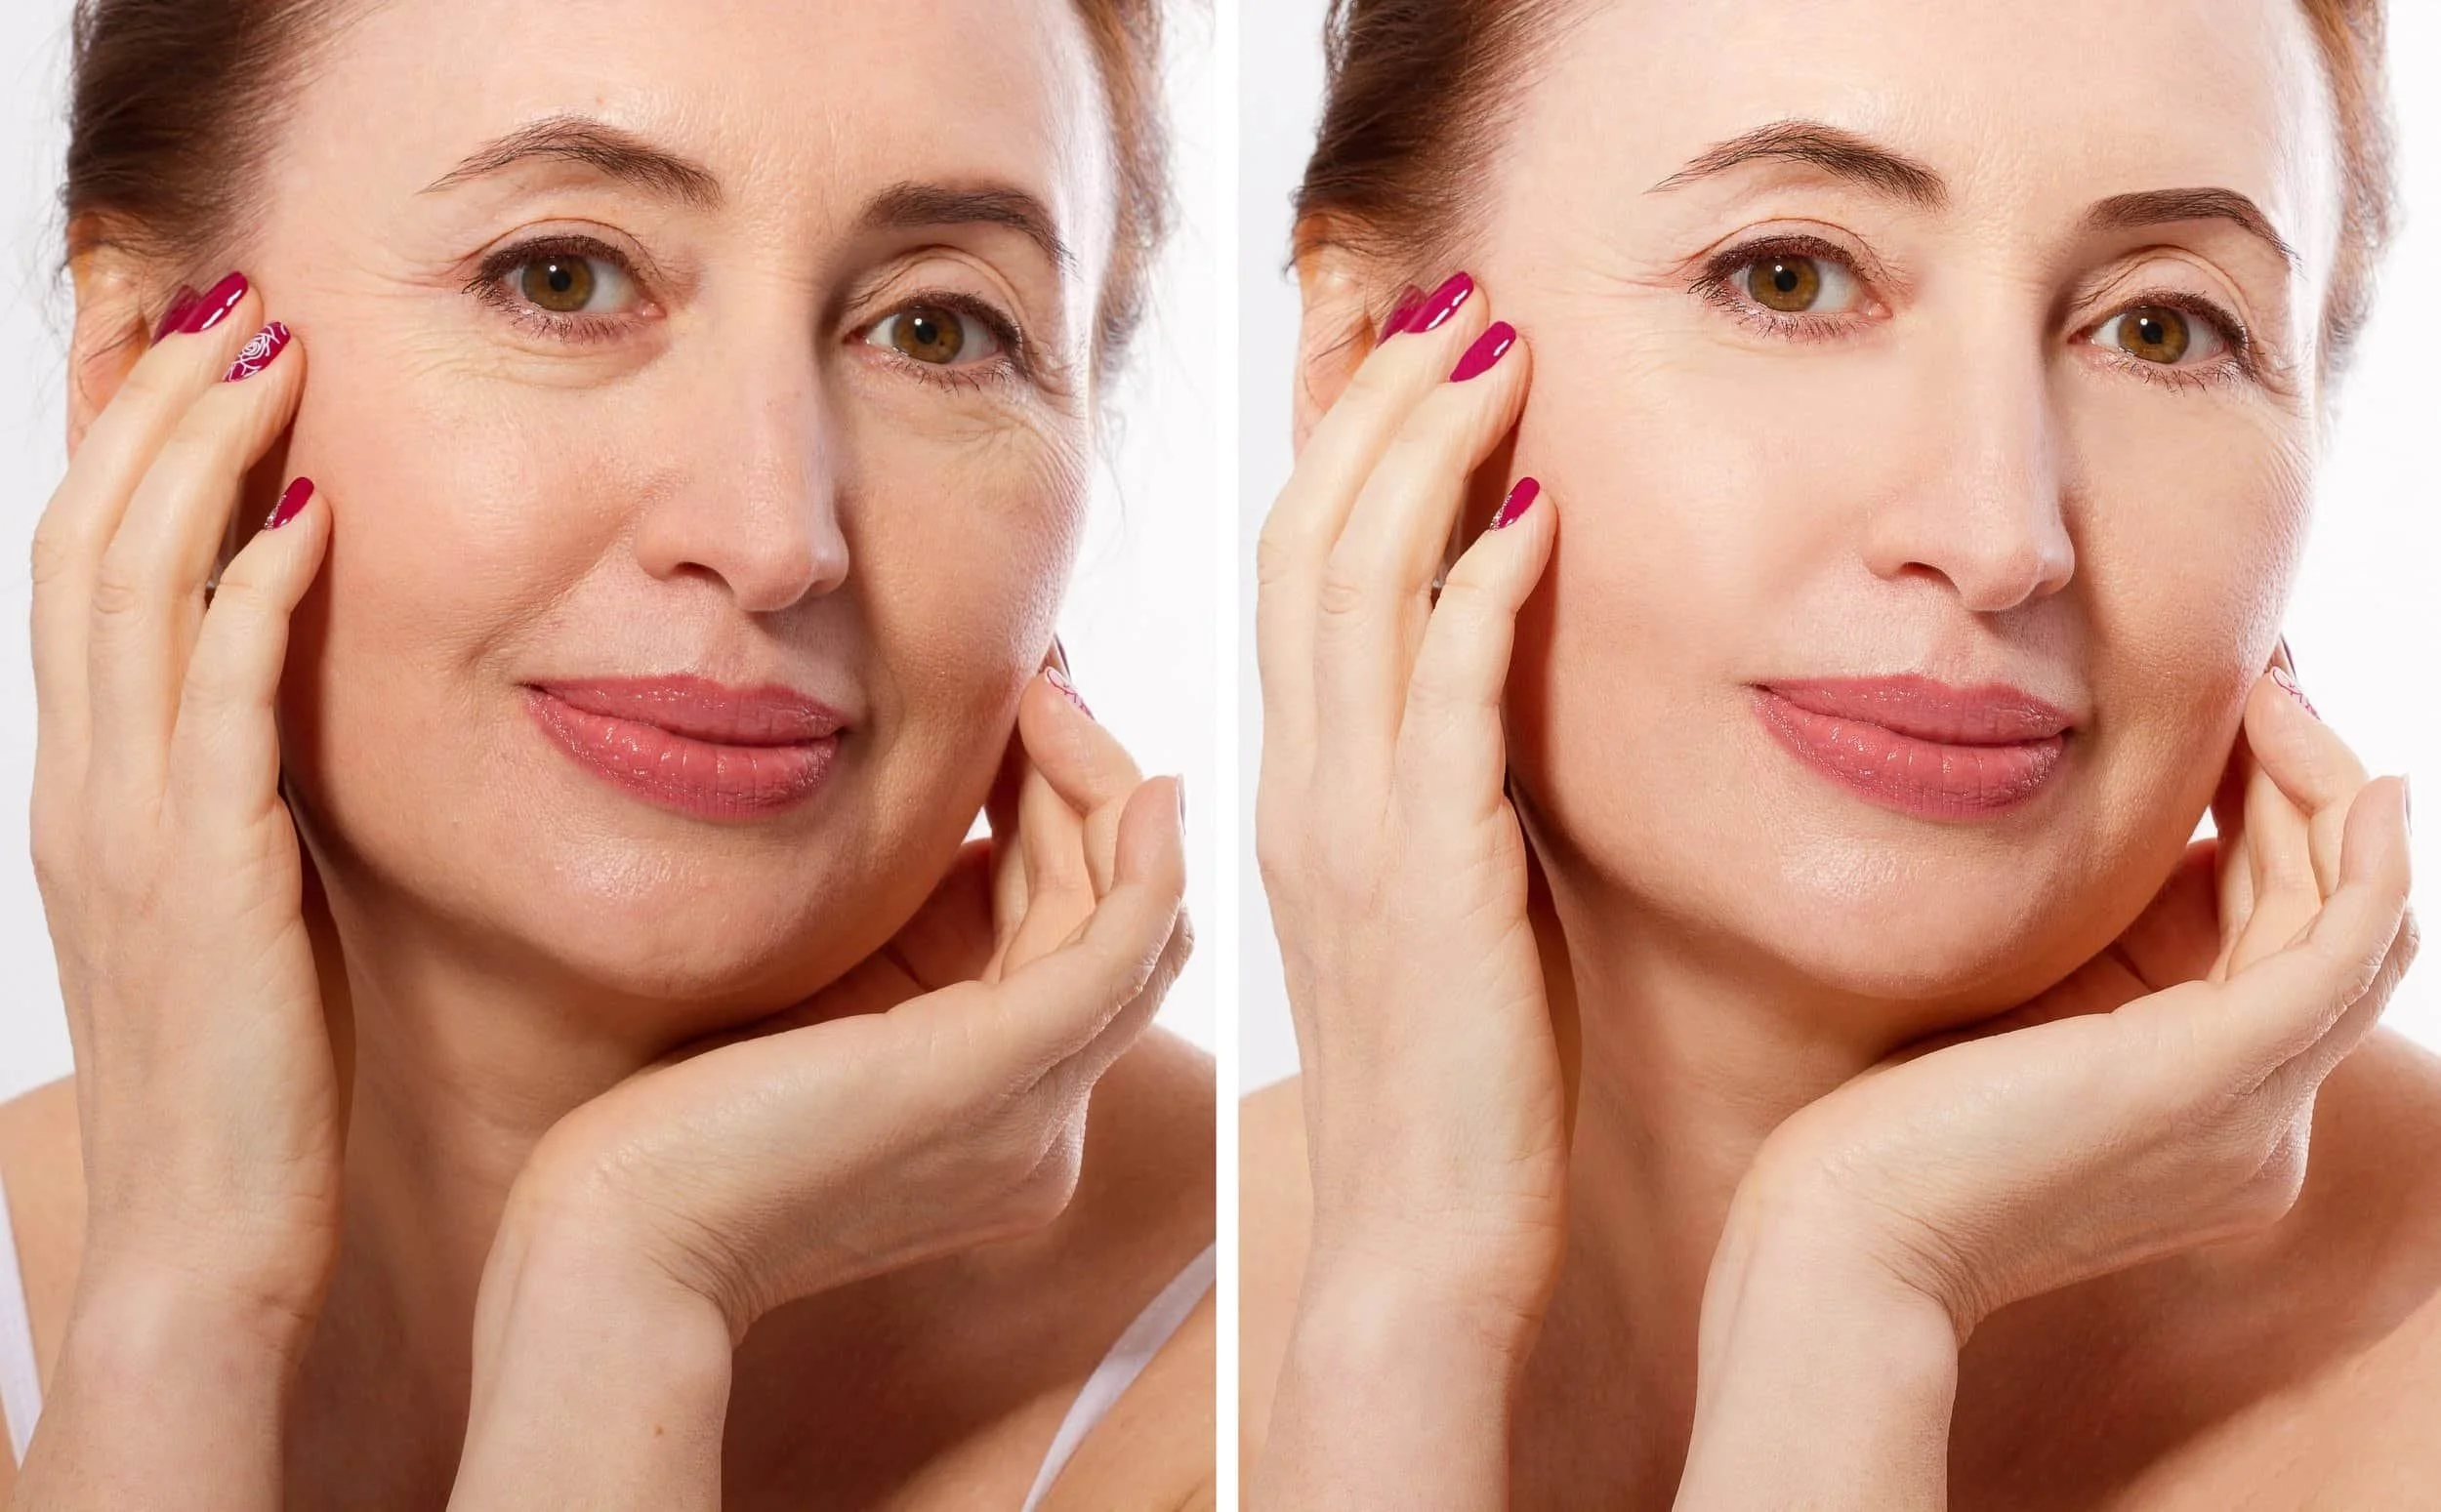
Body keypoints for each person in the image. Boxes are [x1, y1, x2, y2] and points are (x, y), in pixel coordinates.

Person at [0, 0, 1213, 1506]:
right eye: (560, 277)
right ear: (141, 373)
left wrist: (633, 1274)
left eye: (936, 327)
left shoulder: (1269, 1380)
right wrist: (174, 1323)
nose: (775, 536)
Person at [1244, 0, 2433, 1503]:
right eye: (1787, 277)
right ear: (1370, 365)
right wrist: (1401, 1321)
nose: (1999, 533)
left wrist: (1861, 1264)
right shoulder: (1172, 1351)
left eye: (2162, 326)